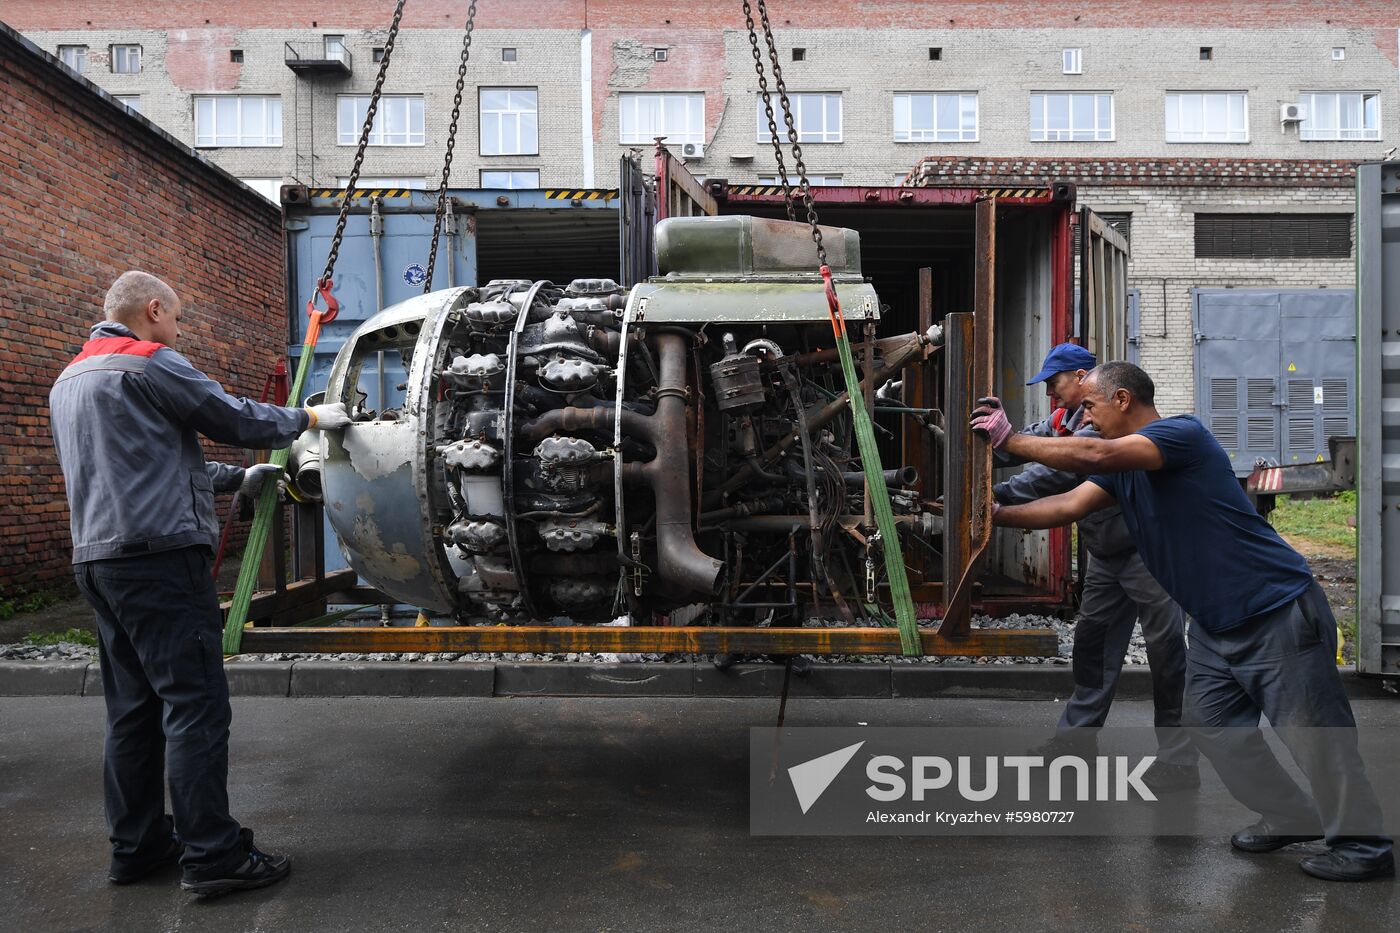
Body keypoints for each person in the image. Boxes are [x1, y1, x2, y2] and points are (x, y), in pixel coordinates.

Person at [970, 360, 1393, 882]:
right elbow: (1067, 505)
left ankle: (1363, 843)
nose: (1084, 419)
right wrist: (992, 514)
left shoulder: (1179, 435)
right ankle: (1291, 813)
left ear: (1123, 400)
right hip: (1215, 625)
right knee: (1209, 727)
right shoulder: (1125, 472)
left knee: (1315, 735)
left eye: (1090, 407)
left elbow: (1095, 453)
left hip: (1275, 610)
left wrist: (1011, 440)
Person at [48, 271, 351, 897]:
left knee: (133, 712)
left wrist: (234, 480)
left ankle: (136, 847)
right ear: (152, 309)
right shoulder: (149, 362)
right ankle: (214, 857)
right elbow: (232, 417)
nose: (178, 330)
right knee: (195, 707)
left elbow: (145, 462)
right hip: (159, 562)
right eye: (177, 318)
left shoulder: (72, 377)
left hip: (99, 564)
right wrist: (311, 416)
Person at [995, 345, 1197, 792]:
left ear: (1082, 378)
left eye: (1055, 383)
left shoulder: (1108, 427)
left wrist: (998, 498)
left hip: (1150, 555)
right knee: (1092, 648)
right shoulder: (1065, 419)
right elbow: (1026, 443)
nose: (1050, 393)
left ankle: (1179, 760)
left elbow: (1060, 476)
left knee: (1166, 655)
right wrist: (969, 433)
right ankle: (1075, 745)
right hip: (1106, 557)